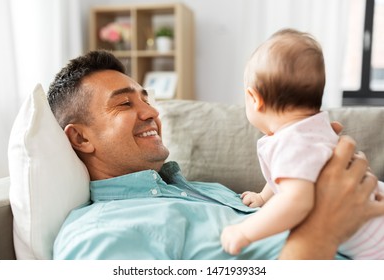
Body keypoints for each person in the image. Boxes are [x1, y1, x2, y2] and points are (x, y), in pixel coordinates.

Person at [47, 50, 384, 260]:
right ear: (80, 137)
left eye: (146, 100)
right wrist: (322, 232)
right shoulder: (99, 234)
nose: (151, 113)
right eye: (124, 103)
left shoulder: (206, 190)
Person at [220, 29, 384, 259]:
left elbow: (297, 200)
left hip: (374, 240)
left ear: (255, 99)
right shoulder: (310, 130)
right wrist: (263, 197)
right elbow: (289, 176)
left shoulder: (293, 142)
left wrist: (246, 231)